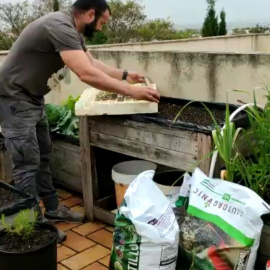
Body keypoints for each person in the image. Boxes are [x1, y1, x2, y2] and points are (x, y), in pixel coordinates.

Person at [0, 0, 160, 242]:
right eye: (102, 22)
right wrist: (131, 91)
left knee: (44, 154)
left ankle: (52, 209)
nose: (102, 28)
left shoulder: (71, 29)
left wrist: (127, 75)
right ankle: (32, 225)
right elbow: (85, 73)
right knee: (26, 164)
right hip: (14, 98)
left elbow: (92, 64)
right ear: (90, 14)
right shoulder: (60, 26)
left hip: (32, 98)